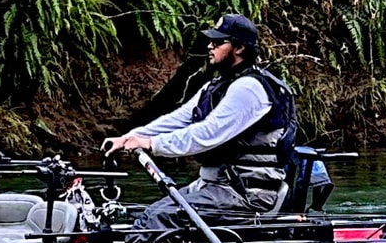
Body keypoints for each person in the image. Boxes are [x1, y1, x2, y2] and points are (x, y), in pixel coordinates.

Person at [103, 14, 297, 230]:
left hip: (246, 195)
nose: (210, 45)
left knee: (160, 217)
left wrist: (152, 144)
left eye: (218, 41)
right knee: (147, 214)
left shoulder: (250, 89)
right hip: (216, 187)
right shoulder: (217, 85)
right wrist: (131, 137)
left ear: (239, 48)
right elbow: (180, 118)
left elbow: (207, 134)